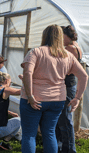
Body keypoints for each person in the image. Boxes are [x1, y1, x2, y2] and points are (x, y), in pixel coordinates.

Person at [20, 25, 88, 153]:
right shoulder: (68, 55)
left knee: (29, 135)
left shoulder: (36, 51)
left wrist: (30, 96)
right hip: (57, 100)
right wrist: (77, 98)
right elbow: (84, 76)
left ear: (44, 35)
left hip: (34, 99)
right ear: (61, 37)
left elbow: (28, 73)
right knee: (50, 133)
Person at [55, 25, 83, 153]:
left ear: (67, 36)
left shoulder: (70, 48)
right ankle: (61, 147)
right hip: (69, 85)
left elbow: (63, 69)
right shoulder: (76, 46)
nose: (61, 39)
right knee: (62, 118)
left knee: (65, 120)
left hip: (67, 85)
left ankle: (70, 149)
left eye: (62, 36)